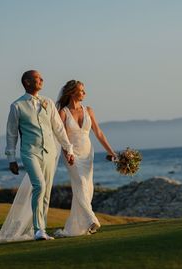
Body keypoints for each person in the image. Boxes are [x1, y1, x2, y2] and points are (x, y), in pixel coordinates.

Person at [0, 70, 75, 242]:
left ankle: (41, 229)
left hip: (49, 153)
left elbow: (58, 128)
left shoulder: (48, 102)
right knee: (39, 185)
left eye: (41, 77)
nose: (42, 80)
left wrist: (68, 149)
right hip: (29, 152)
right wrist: (11, 159)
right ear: (27, 82)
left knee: (46, 191)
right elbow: (11, 134)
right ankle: (38, 229)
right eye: (37, 78)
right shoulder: (17, 106)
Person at [55, 80, 116, 237]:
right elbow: (60, 137)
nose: (84, 93)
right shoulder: (63, 112)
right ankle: (91, 220)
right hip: (71, 154)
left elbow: (98, 133)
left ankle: (75, 228)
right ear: (72, 92)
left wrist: (111, 152)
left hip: (88, 153)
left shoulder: (89, 110)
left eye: (84, 90)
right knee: (81, 184)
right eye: (81, 90)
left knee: (87, 188)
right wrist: (67, 152)